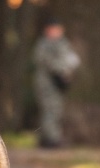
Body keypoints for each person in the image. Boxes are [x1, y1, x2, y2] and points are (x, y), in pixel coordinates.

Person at [33, 18, 80, 148]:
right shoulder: (44, 44)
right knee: (50, 110)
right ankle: (51, 139)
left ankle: (49, 138)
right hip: (47, 84)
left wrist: (67, 72)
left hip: (58, 83)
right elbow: (46, 61)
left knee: (55, 110)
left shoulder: (62, 43)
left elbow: (71, 59)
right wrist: (61, 70)